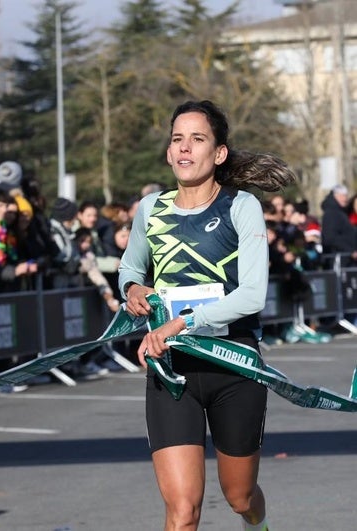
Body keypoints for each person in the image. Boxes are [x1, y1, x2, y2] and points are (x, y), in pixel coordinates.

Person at [118, 100, 295, 531]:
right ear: (168, 151)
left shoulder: (241, 207)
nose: (184, 148)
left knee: (239, 497)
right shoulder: (150, 209)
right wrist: (134, 289)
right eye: (177, 139)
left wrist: (183, 321)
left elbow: (252, 296)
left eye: (197, 139)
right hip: (172, 369)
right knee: (182, 511)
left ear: (218, 154)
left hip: (234, 365)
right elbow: (129, 267)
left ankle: (258, 523)